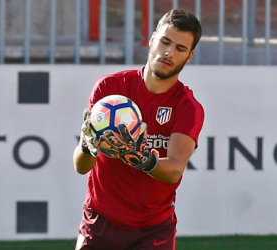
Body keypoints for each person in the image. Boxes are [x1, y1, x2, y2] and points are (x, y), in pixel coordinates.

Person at [73, 8, 204, 250]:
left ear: (189, 56)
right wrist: (88, 144)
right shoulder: (109, 89)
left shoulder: (188, 107)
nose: (169, 52)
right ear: (152, 40)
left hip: (153, 231)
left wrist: (143, 160)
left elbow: (175, 169)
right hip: (99, 222)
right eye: (165, 42)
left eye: (180, 48)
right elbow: (81, 167)